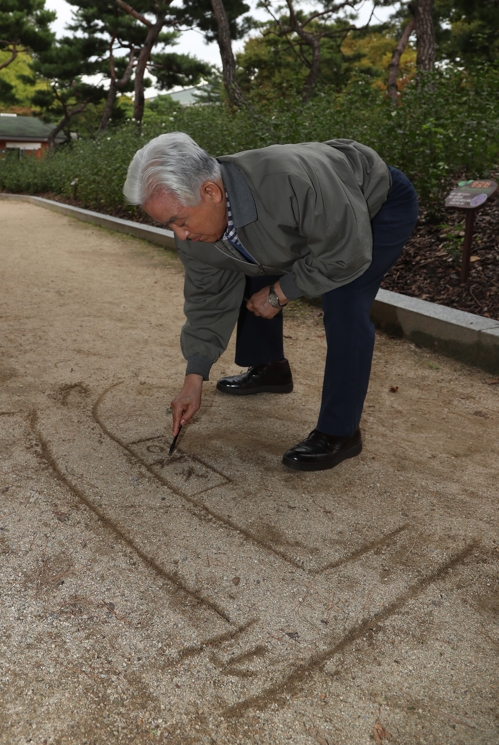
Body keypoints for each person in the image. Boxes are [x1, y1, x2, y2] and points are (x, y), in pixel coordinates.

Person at [123, 132, 418, 471]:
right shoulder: (197, 228)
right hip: (303, 223)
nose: (181, 236)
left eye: (180, 221)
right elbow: (209, 298)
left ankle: (340, 432)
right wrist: (194, 377)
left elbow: (343, 255)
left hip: (370, 205)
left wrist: (281, 293)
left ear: (211, 191)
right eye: (168, 225)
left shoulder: (289, 181)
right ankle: (270, 369)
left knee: (344, 301)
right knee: (249, 262)